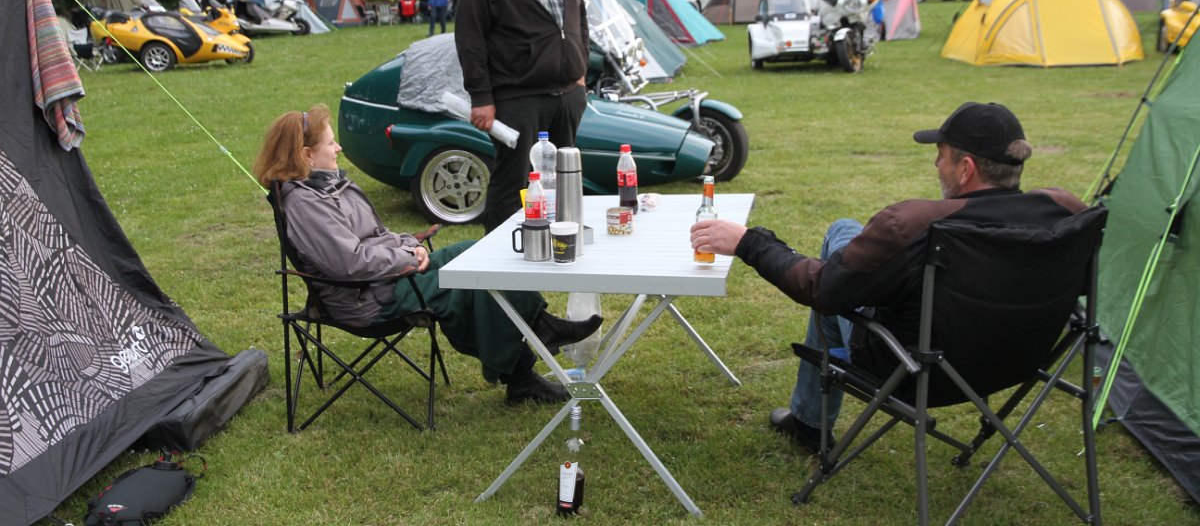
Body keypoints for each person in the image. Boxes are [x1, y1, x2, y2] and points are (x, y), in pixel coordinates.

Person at [689, 102, 1087, 450]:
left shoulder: (913, 224)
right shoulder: (1067, 213)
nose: (936, 164)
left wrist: (749, 242)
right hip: (1019, 359)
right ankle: (808, 420)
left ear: (965, 168)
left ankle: (811, 424)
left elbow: (821, 289)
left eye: (941, 155)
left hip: (913, 372)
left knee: (840, 254)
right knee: (845, 269)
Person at [253, 104, 602, 405]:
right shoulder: (306, 203)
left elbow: (376, 236)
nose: (339, 147)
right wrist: (407, 259)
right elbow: (350, 263)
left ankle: (538, 330)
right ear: (306, 155)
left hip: (382, 278)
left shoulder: (329, 186)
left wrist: (412, 246)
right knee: (470, 281)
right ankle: (524, 369)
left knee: (472, 254)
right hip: (366, 298)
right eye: (331, 142)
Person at [455, 0, 589, 232]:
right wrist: (481, 97)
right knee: (515, 181)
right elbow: (469, 37)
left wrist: (581, 69)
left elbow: (579, 15)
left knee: (564, 180)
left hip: (566, 96)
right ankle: (499, 256)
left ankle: (560, 243)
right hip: (517, 98)